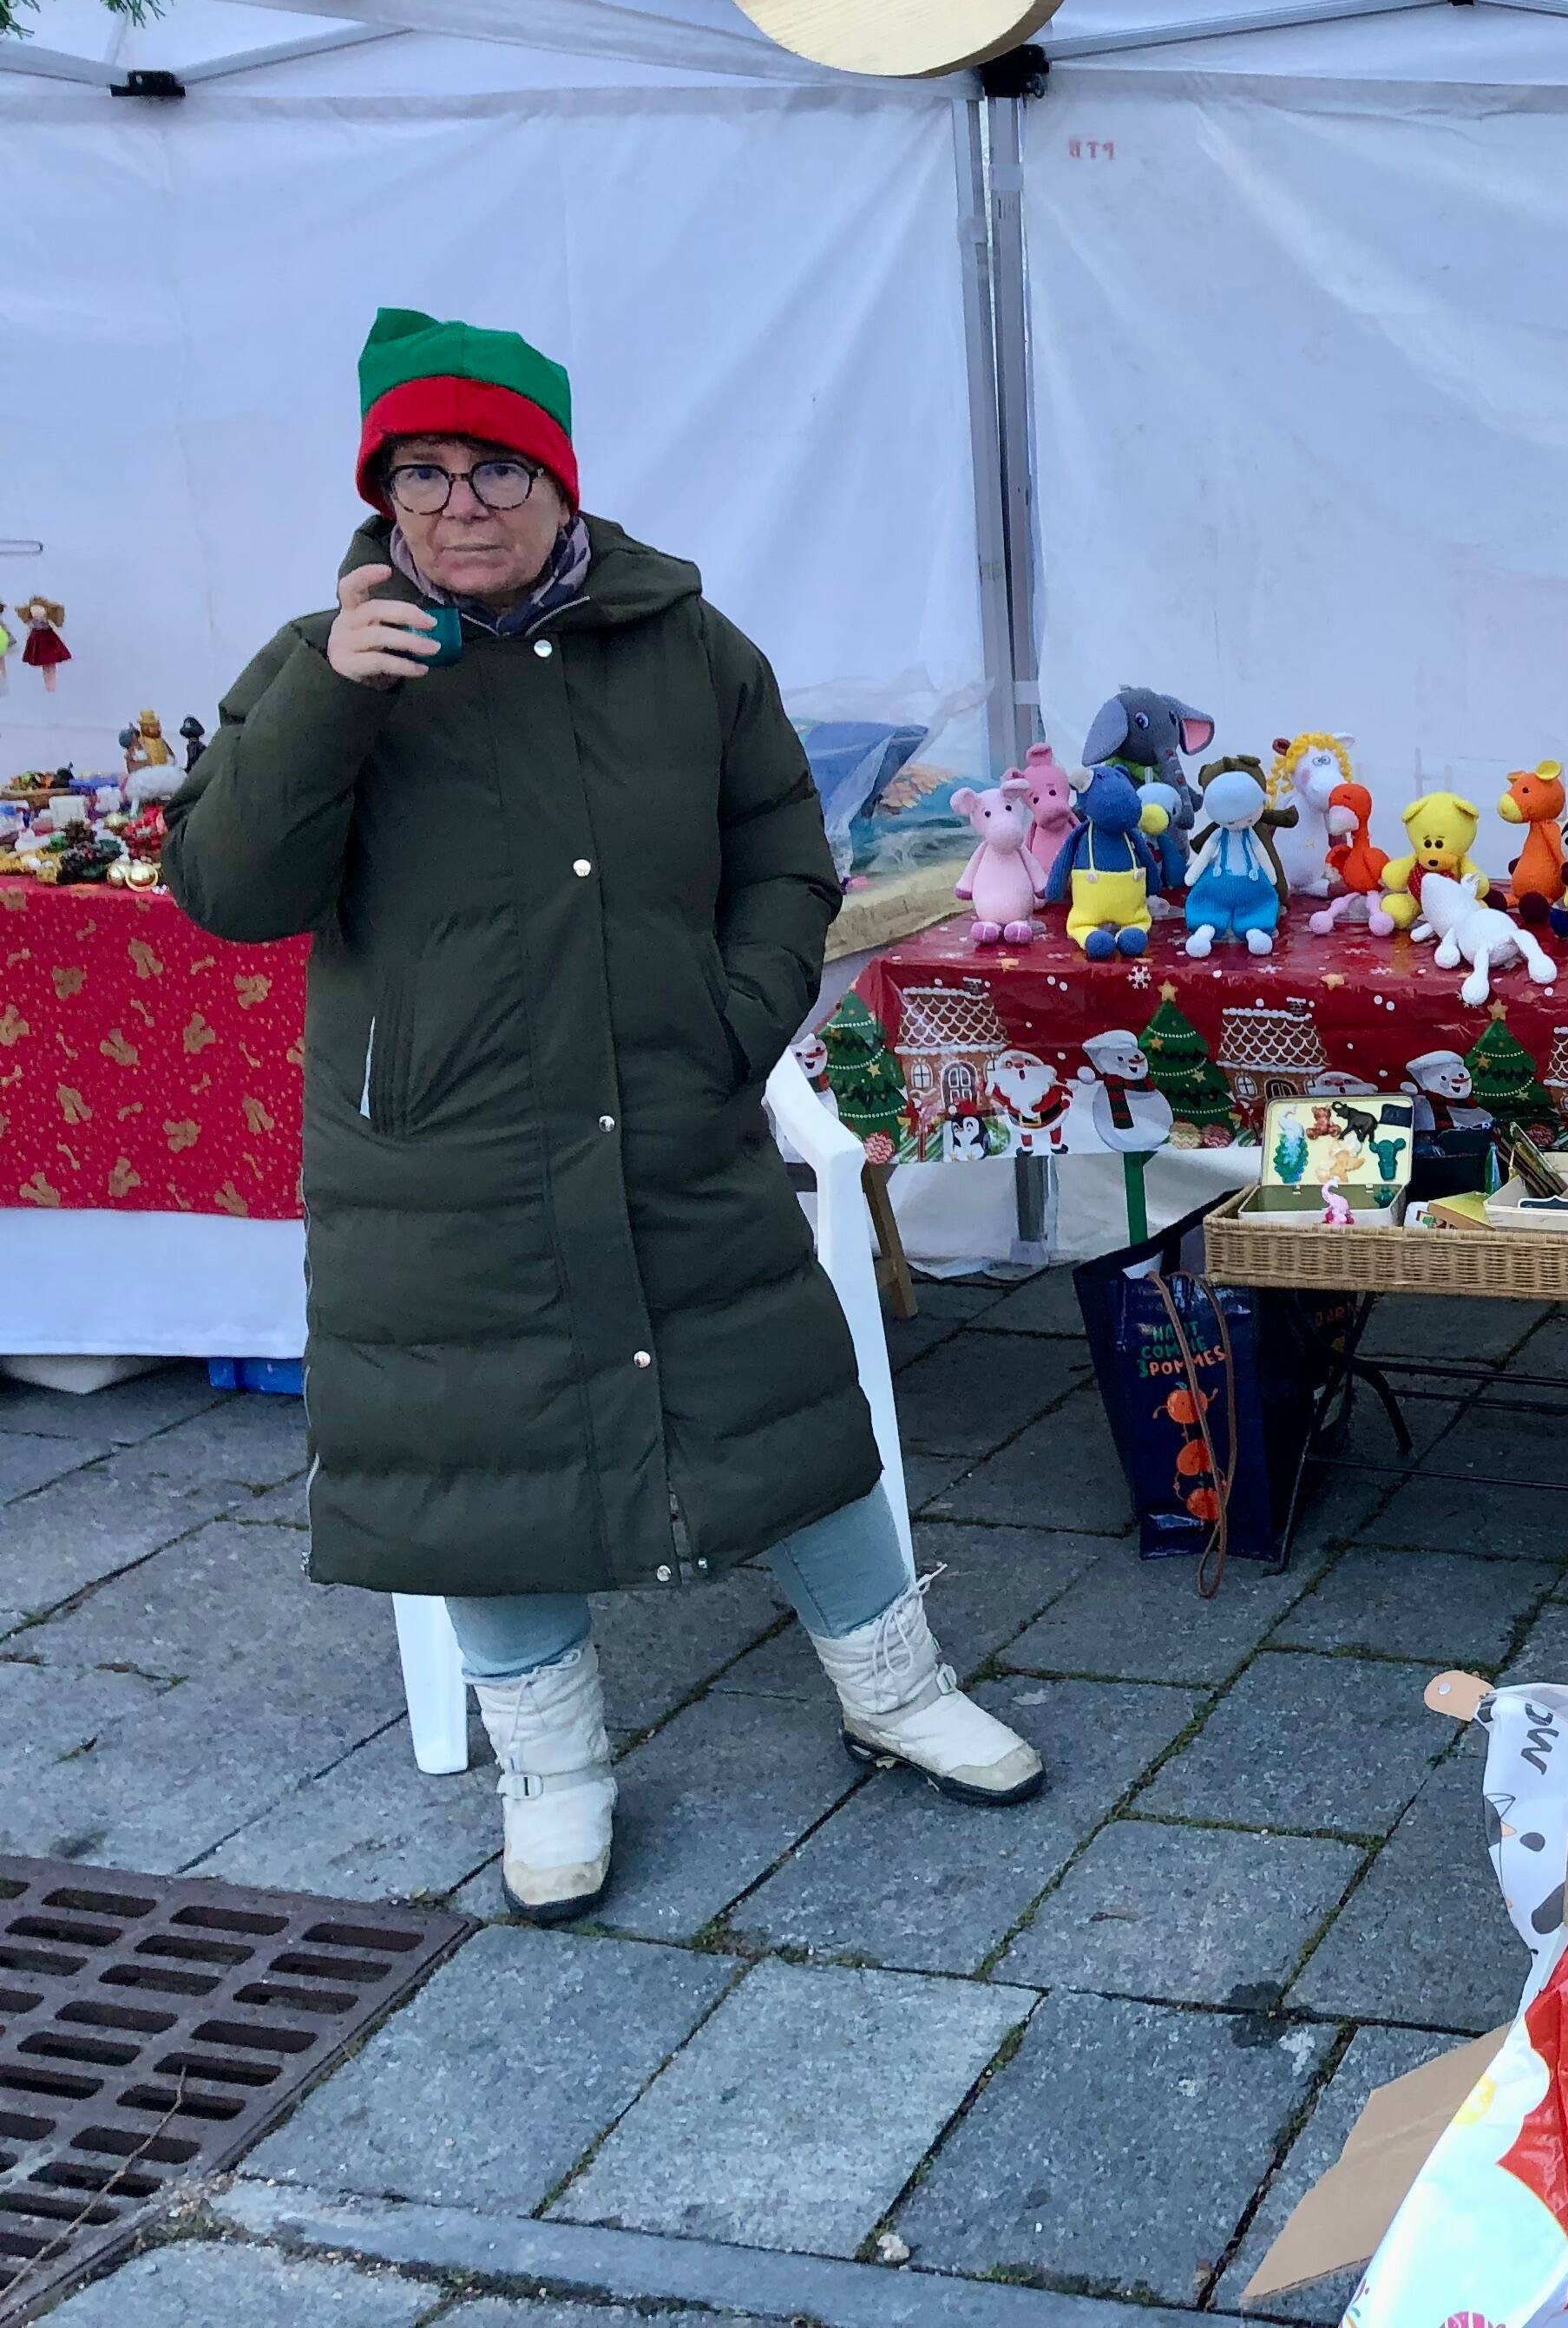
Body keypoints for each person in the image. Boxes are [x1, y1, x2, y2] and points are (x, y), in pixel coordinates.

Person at [165, 309, 1040, 1922]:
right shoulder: (328, 654)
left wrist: (727, 1018)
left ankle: (892, 1685)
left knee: (778, 1385)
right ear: (382, 493)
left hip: (667, 1103)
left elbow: (786, 847)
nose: (457, 503)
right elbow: (229, 891)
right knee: (468, 1452)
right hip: (439, 1145)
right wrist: (324, 700)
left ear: (560, 478)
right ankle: (555, 1771)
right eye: (418, 472)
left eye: (493, 465)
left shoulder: (687, 646)